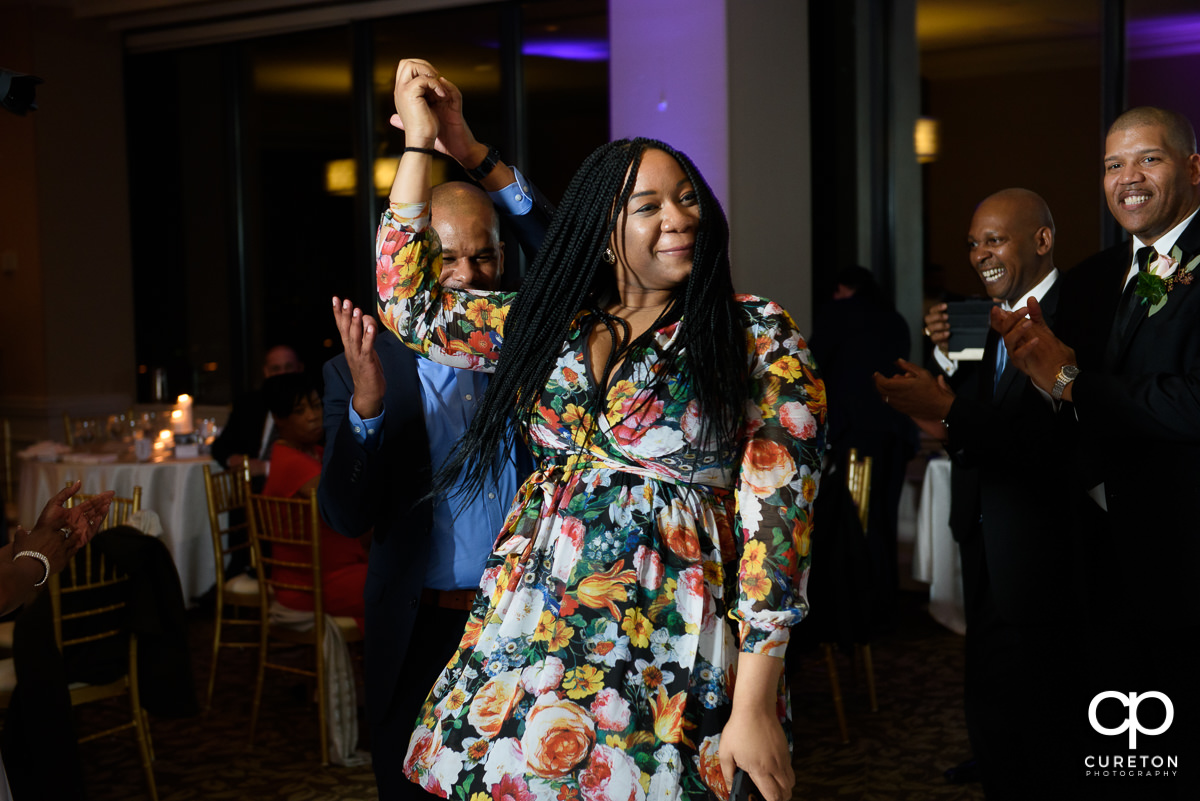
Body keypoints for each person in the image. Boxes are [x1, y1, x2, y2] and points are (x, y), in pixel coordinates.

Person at [376, 63, 826, 801]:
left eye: (687, 198)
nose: (678, 217)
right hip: (534, 630)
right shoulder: (550, 322)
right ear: (604, 233)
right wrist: (427, 146)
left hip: (670, 630)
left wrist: (753, 701)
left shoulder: (753, 333)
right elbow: (409, 304)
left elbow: (779, 527)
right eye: (648, 205)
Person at [320, 57, 551, 801]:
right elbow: (347, 515)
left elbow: (577, 271)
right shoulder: (361, 365)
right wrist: (368, 410)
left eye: (484, 254)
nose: (472, 274)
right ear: (414, 265)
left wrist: (477, 157)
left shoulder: (531, 347)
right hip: (418, 627)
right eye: (446, 258)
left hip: (523, 622)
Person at [994, 107, 1200, 799]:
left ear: (1193, 168)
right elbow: (1066, 398)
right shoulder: (1093, 276)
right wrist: (1038, 376)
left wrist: (1074, 381)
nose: (1128, 178)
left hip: (1185, 545)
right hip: (1099, 548)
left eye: (1149, 160)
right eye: (1114, 165)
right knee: (1120, 746)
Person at [876, 188, 1079, 798]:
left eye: (994, 239)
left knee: (1049, 711)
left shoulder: (1081, 314)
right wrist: (940, 402)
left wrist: (950, 410)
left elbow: (1054, 438)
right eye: (972, 243)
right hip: (985, 531)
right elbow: (981, 415)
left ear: (1042, 240)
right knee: (990, 700)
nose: (979, 254)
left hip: (1049, 539)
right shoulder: (995, 316)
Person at [808, 265, 916, 632]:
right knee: (882, 520)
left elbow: (811, 368)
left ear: (841, 287)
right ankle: (885, 607)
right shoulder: (895, 320)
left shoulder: (840, 314)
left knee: (856, 523)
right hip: (896, 431)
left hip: (858, 434)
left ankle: (860, 614)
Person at [261, 372, 367, 630]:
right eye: (300, 411)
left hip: (334, 572)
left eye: (315, 405)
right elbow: (350, 504)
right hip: (312, 584)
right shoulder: (292, 463)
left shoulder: (314, 453)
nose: (312, 416)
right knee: (399, 585)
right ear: (279, 419)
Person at [211, 343, 306, 482]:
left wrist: (266, 468)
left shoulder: (311, 406)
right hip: (254, 489)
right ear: (266, 372)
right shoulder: (248, 404)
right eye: (276, 369)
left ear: (299, 369)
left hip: (299, 486)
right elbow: (221, 446)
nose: (282, 374)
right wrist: (236, 461)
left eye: (288, 367)